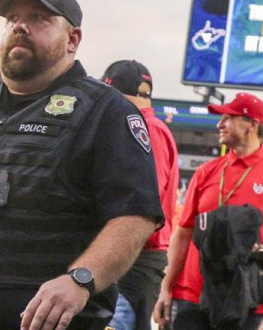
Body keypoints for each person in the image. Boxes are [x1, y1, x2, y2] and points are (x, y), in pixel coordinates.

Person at [0, 0, 163, 330]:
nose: (20, 26)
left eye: (39, 18)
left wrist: (80, 280)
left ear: (72, 39)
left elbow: (136, 215)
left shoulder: (106, 111)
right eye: (11, 18)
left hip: (45, 320)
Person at [154, 93, 263, 330]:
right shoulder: (206, 172)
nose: (219, 124)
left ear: (252, 125)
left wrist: (256, 251)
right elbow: (183, 234)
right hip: (192, 298)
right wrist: (165, 287)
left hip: (246, 301)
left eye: (228, 118)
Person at [102, 60, 180, 330]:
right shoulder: (138, 126)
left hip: (135, 254)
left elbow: (144, 201)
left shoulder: (147, 129)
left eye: (111, 96)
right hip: (130, 252)